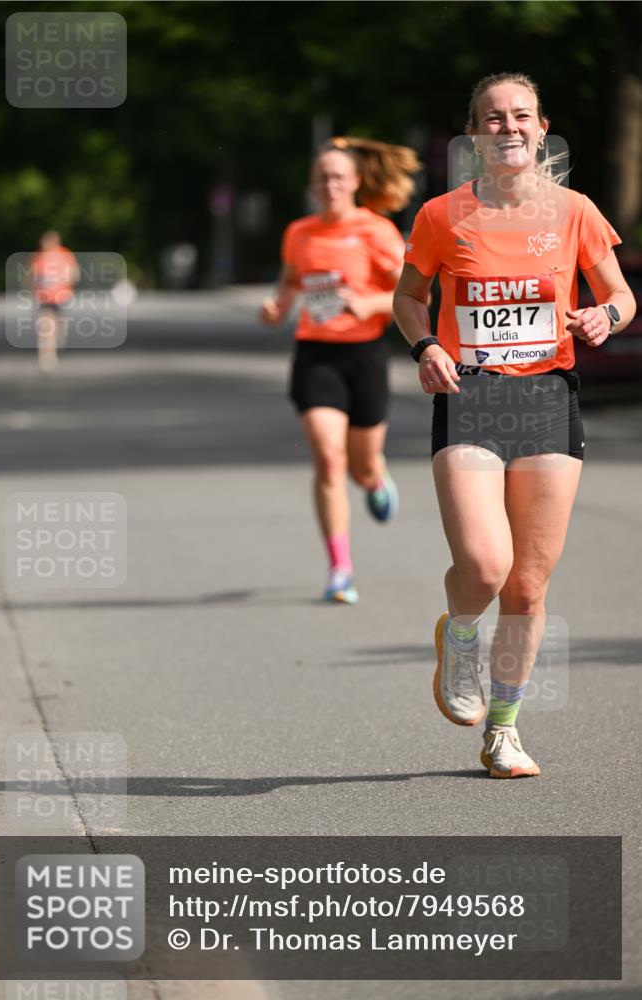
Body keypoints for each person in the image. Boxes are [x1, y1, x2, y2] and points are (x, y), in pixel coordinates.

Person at [393, 73, 636, 778]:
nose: (507, 128)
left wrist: (603, 316)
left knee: (527, 587)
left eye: (519, 117)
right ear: (472, 135)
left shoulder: (573, 211)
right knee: (483, 566)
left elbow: (617, 295)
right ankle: (459, 631)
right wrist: (426, 344)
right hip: (470, 397)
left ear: (540, 128)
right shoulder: (441, 216)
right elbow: (409, 299)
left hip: (545, 400)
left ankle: (503, 729)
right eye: (492, 119)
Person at [260, 137, 420, 604]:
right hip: (315, 355)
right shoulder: (300, 232)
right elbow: (290, 283)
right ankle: (340, 569)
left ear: (354, 182)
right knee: (329, 458)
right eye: (322, 178)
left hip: (364, 356)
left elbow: (409, 296)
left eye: (338, 177)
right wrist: (277, 307)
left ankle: (373, 477)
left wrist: (364, 301)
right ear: (313, 186)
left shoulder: (378, 232)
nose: (330, 185)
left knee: (361, 463)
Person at [30, 230, 79, 372]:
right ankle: (47, 355)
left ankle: (57, 341)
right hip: (44, 297)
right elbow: (32, 276)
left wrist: (65, 284)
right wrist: (33, 291)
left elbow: (74, 273)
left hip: (61, 296)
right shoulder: (39, 256)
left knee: (57, 323)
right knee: (46, 325)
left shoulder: (65, 254)